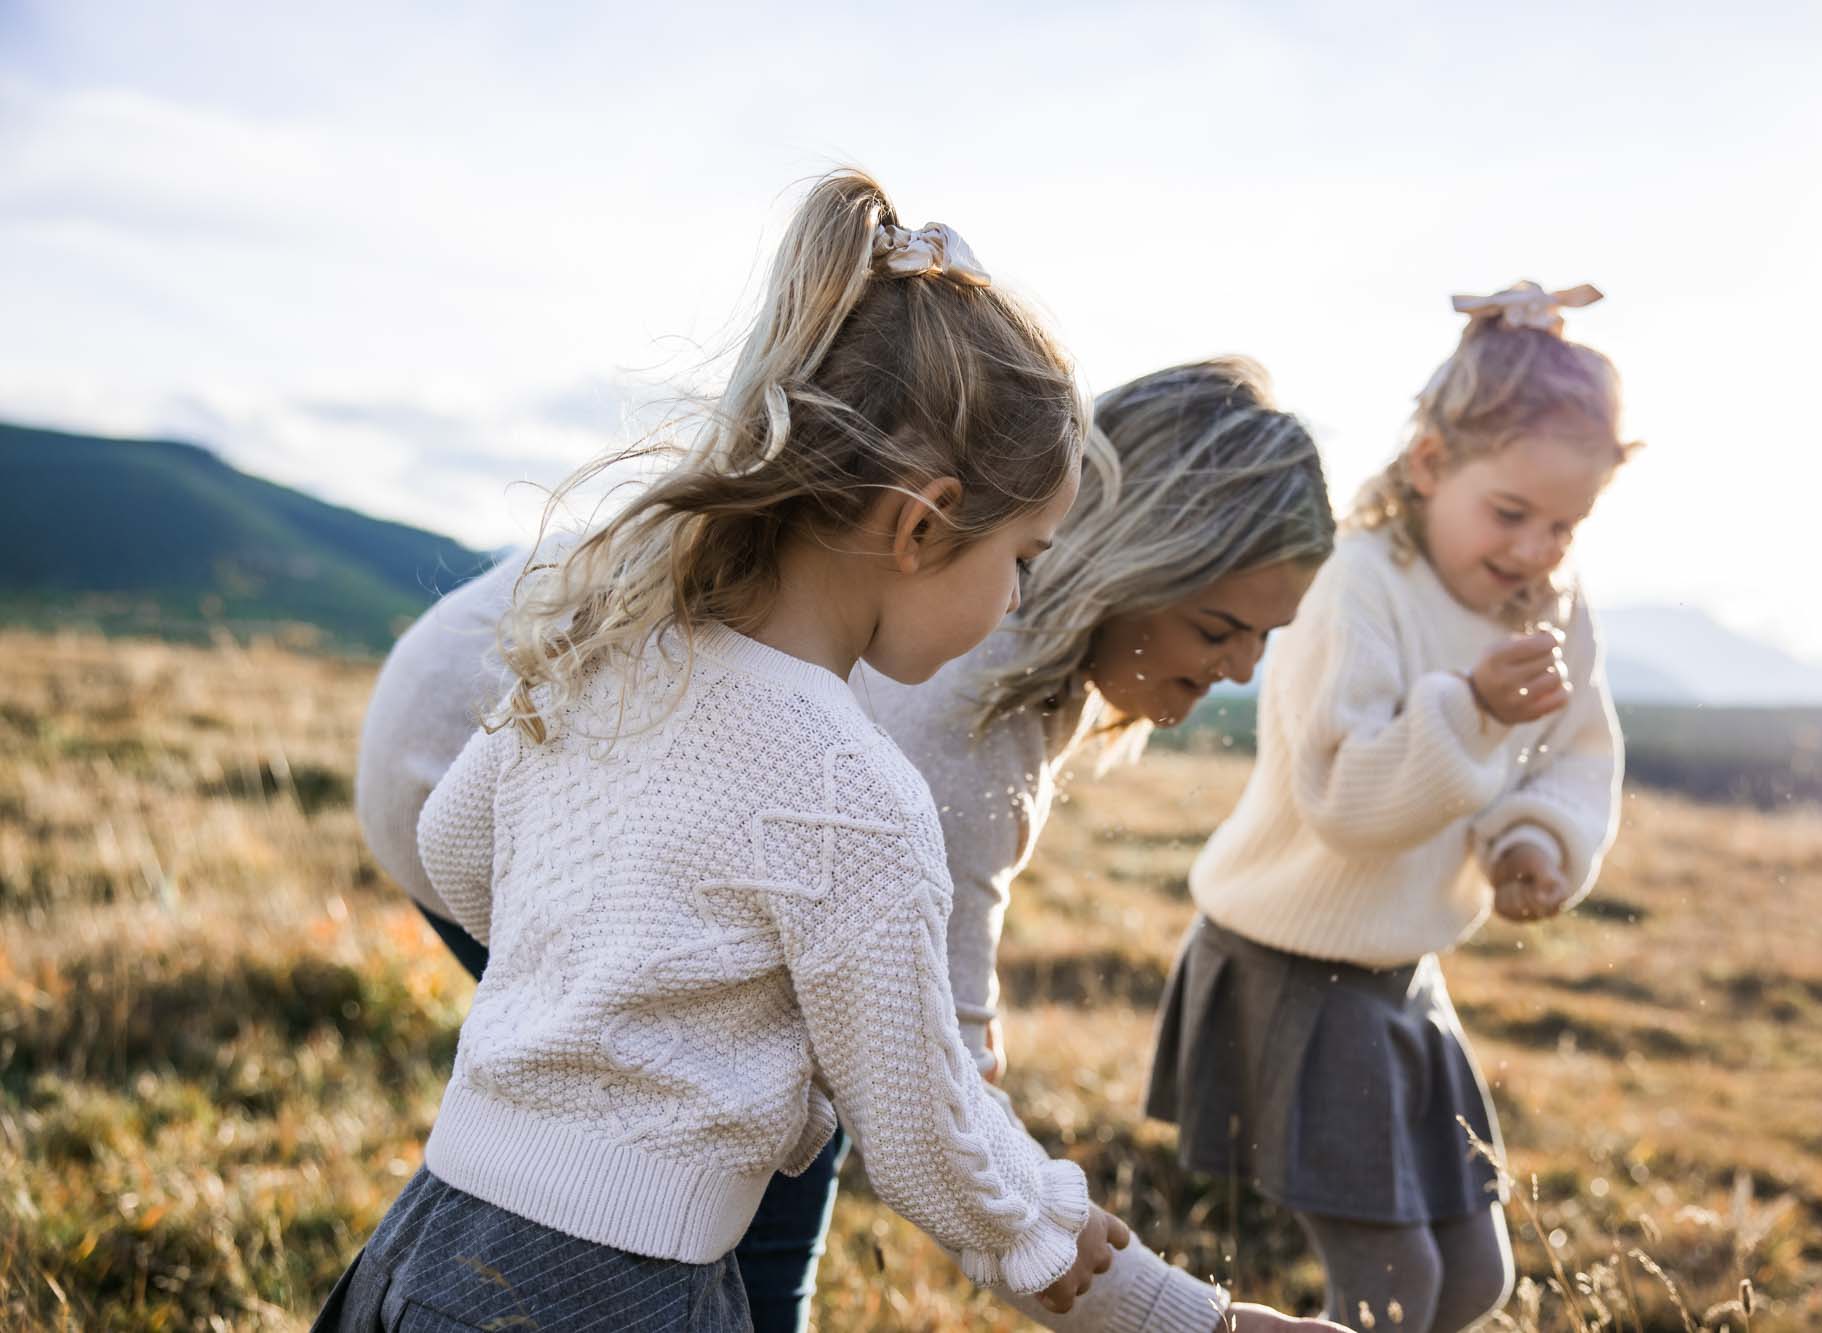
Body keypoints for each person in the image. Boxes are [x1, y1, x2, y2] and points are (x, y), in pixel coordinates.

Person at [354, 358, 1344, 1333]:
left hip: (429, 1207)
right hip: (451, 750)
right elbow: (921, 1114)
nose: (1242, 670)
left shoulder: (920, 606)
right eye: (1220, 627)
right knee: (745, 1123)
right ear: (1128, 568)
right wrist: (1191, 1321)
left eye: (1269, 638)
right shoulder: (942, 689)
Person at [316, 168, 1120, 1332]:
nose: (1015, 602)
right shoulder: (849, 787)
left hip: (423, 1240)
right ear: (921, 523)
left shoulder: (604, 661)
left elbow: (452, 842)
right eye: (1024, 559)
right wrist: (1036, 1225)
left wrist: (602, 973)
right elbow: (914, 1129)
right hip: (611, 1290)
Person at [1147, 283, 1632, 1333]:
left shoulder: (1549, 604)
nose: (1535, 549)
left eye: (1565, 524)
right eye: (1510, 513)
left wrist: (1535, 840)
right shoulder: (1355, 583)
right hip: (1293, 969)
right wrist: (1470, 708)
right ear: (1428, 465)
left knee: (1475, 1280)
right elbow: (1344, 797)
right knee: (1393, 1289)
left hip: (1404, 975)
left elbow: (1573, 752)